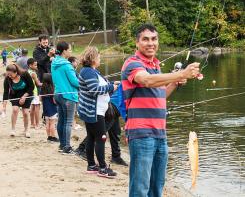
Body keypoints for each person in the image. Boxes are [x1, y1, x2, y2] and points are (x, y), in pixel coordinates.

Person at [121, 24, 200, 196]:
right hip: (141, 134)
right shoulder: (132, 63)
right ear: (137, 43)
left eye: (154, 39)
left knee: (157, 187)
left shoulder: (156, 65)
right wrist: (181, 74)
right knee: (140, 189)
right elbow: (147, 80)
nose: (151, 43)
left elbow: (160, 96)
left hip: (160, 134)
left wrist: (174, 83)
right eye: (146, 39)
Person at [78, 46, 119, 178]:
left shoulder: (91, 71)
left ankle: (91, 165)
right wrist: (111, 86)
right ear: (93, 58)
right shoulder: (88, 72)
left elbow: (101, 86)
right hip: (94, 111)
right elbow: (95, 89)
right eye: (99, 56)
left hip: (93, 111)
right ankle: (102, 168)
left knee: (91, 137)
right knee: (101, 138)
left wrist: (112, 84)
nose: (100, 58)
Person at [75, 84, 128, 167]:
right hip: (113, 108)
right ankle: (81, 149)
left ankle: (116, 157)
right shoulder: (133, 82)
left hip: (115, 107)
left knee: (115, 132)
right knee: (100, 133)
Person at [51, 41, 79, 154]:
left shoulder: (54, 63)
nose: (71, 51)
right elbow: (75, 82)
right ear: (64, 51)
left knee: (61, 121)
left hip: (58, 94)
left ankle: (62, 145)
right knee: (68, 122)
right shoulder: (67, 65)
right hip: (68, 95)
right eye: (70, 49)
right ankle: (67, 147)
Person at [1, 63, 34, 138]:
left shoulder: (25, 74)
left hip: (27, 94)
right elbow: (5, 92)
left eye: (11, 74)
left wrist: (24, 97)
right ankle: (13, 129)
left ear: (16, 72)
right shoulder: (7, 78)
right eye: (8, 74)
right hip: (14, 96)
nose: (9, 76)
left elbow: (31, 86)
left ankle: (26, 130)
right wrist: (4, 107)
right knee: (15, 109)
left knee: (25, 112)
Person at [40, 73, 59, 142]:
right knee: (52, 123)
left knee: (47, 122)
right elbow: (54, 101)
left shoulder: (42, 88)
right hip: (52, 108)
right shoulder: (53, 89)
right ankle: (53, 137)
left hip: (45, 109)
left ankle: (49, 137)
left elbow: (40, 99)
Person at [27, 58, 42, 129]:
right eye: (35, 65)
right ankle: (37, 125)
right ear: (30, 65)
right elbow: (38, 84)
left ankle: (32, 124)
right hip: (35, 92)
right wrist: (46, 83)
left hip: (30, 93)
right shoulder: (33, 73)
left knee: (32, 107)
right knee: (37, 107)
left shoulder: (27, 72)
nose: (36, 66)